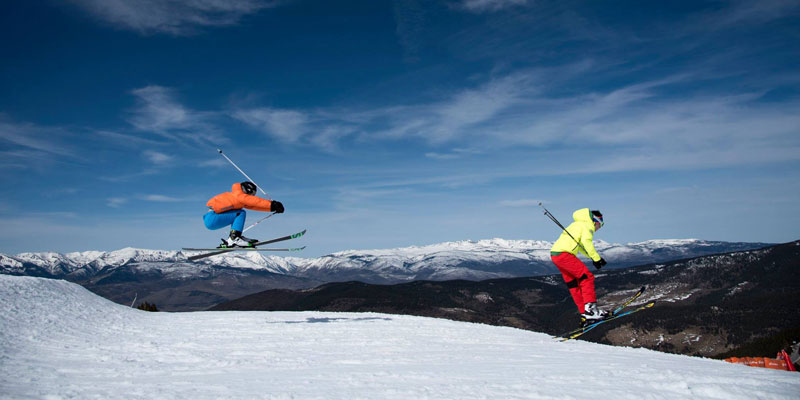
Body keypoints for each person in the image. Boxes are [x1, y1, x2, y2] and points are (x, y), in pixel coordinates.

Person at [549, 208, 607, 326]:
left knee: (574, 284)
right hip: (565, 255)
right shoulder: (588, 226)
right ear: (596, 221)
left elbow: (581, 246)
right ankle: (590, 311)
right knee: (587, 277)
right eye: (600, 225)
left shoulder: (576, 224)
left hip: (556, 255)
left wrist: (594, 258)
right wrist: (596, 258)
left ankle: (584, 313)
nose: (599, 228)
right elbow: (586, 242)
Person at [204, 182, 284, 248]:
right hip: (213, 218)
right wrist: (273, 205)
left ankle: (234, 237)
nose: (252, 196)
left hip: (212, 217)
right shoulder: (239, 195)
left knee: (239, 212)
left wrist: (271, 208)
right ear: (247, 190)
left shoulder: (237, 197)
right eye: (252, 194)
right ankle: (234, 238)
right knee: (240, 213)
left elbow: (253, 206)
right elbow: (256, 201)